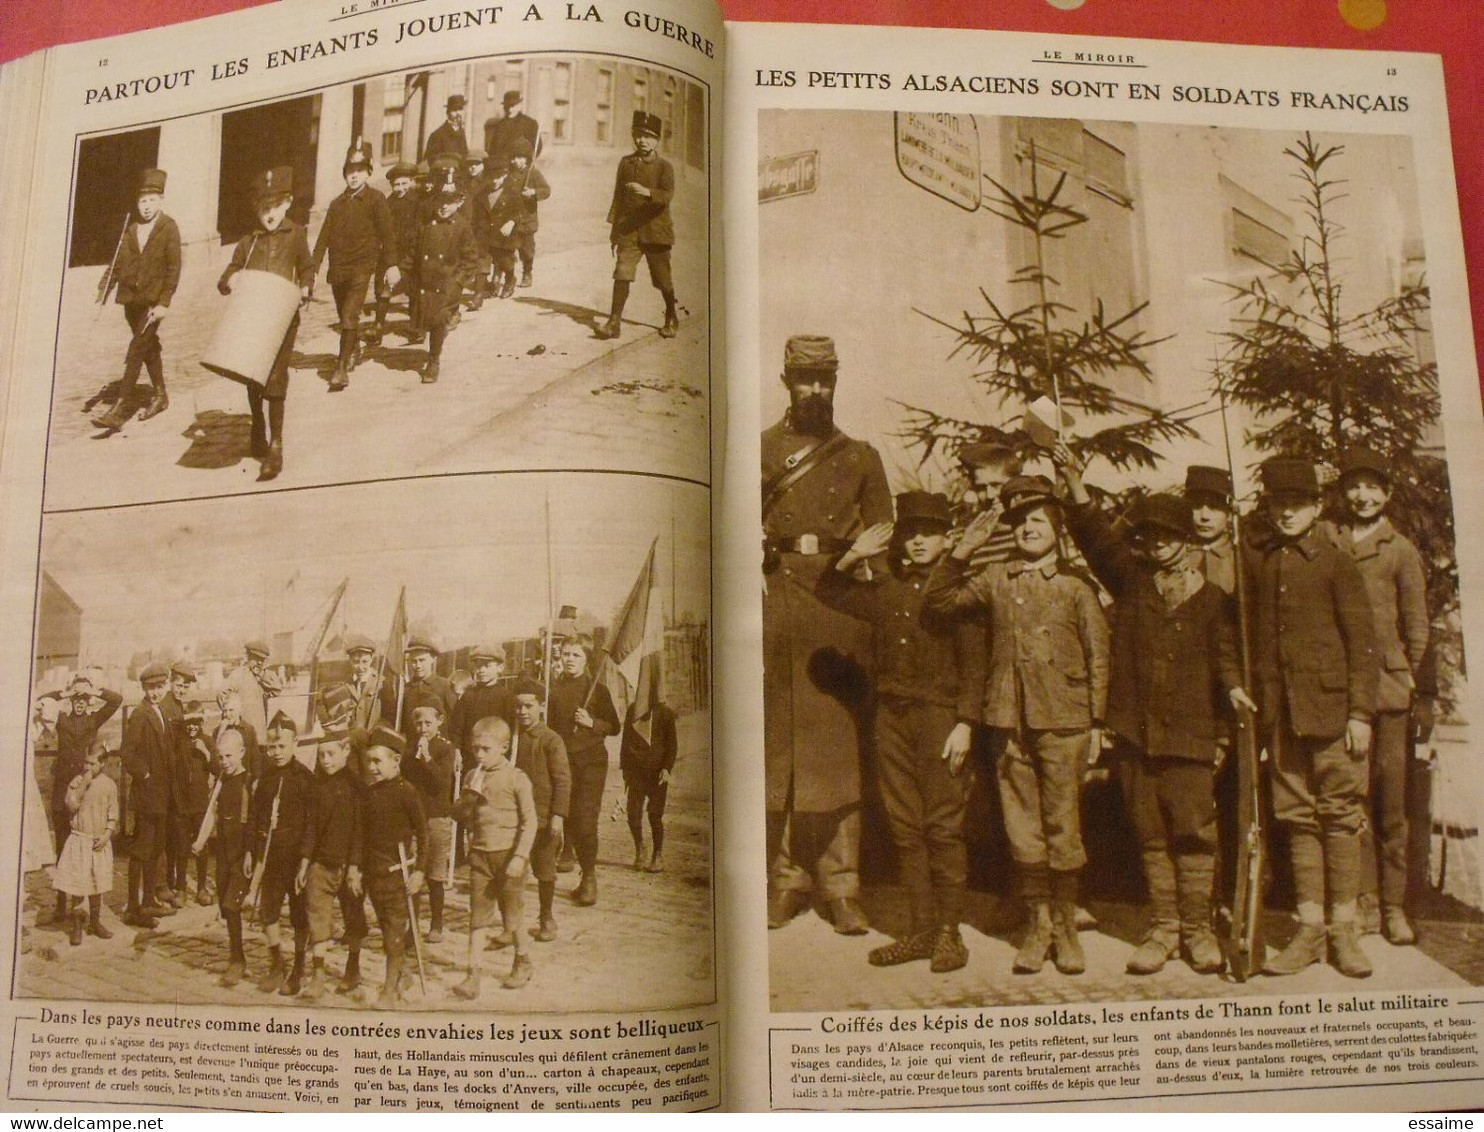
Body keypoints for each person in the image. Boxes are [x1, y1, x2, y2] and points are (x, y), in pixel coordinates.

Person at [1056, 446, 1250, 975]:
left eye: (1170, 537)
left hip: (1191, 738)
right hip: (1137, 735)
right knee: (1151, 836)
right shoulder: (1133, 582)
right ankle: (1163, 929)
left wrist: (1232, 693)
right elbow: (1098, 541)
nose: (1159, 545)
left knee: (1194, 834)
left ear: (1188, 542)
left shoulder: (1214, 601)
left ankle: (1198, 930)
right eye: (1151, 537)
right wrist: (1076, 488)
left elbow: (1229, 659)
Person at [925, 476, 1110, 975]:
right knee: (1022, 829)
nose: (1027, 529)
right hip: (1007, 720)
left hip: (1065, 720)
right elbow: (939, 601)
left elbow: (1098, 656)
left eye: (1037, 521)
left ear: (1057, 529)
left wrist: (1096, 723)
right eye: (1019, 522)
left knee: (1063, 826)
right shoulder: (995, 578)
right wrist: (962, 552)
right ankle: (1039, 925)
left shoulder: (1076, 587)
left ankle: (1067, 930)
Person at [817, 491, 986, 972]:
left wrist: (966, 724)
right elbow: (829, 590)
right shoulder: (886, 590)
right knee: (906, 828)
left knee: (943, 827)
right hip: (891, 720)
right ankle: (920, 931)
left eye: (928, 532)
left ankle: (950, 933)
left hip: (941, 720)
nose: (917, 541)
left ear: (947, 538)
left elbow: (976, 666)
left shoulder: (960, 592)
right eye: (910, 532)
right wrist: (853, 555)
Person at [762, 334, 891, 936]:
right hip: (779, 607)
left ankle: (842, 886)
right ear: (786, 381)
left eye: (826, 380)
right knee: (784, 753)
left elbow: (884, 536)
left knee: (838, 753)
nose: (816, 390)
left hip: (839, 609)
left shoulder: (862, 456)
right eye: (806, 379)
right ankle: (787, 880)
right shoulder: (761, 452)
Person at [1251, 457, 1377, 979]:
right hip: (1282, 718)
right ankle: (1308, 929)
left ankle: (1344, 932)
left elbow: (1362, 644)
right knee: (1298, 819)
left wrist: (1361, 713)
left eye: (1297, 503)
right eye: (1278, 503)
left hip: (1332, 715)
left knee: (1340, 817)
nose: (1286, 512)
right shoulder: (1262, 562)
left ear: (1317, 506)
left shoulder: (1335, 561)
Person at [1324, 446, 1429, 946]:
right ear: (1342, 493)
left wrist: (1407, 675)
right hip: (1340, 690)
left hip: (1386, 694)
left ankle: (1393, 906)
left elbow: (1417, 625)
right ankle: (1359, 900)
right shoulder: (1328, 538)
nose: (1362, 496)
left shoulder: (1400, 550)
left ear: (1386, 494)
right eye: (1353, 486)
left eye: (1372, 487)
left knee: (1390, 803)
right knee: (1350, 798)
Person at [216, 165, 314, 481]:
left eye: (273, 206)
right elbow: (226, 276)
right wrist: (232, 278)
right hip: (252, 318)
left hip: (284, 317)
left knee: (275, 376)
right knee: (253, 377)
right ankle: (257, 422)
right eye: (262, 208)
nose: (268, 214)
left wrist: (306, 287)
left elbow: (308, 268)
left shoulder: (296, 235)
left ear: (286, 203)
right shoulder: (249, 242)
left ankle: (276, 445)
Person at [91, 168, 181, 432]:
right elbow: (118, 263)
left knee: (136, 349)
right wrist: (103, 289)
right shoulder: (131, 229)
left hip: (153, 302)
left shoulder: (168, 227)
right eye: (142, 201)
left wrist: (164, 302)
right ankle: (160, 395)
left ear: (161, 200)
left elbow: (174, 269)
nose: (146, 207)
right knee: (147, 347)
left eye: (152, 200)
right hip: (131, 301)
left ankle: (119, 409)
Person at [310, 139, 399, 391]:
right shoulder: (337, 204)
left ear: (368, 172)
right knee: (344, 316)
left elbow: (388, 234)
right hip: (338, 269)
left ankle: (340, 368)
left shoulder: (375, 199)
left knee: (349, 315)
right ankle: (354, 347)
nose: (354, 176)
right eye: (350, 172)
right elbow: (323, 238)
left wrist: (391, 264)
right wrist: (313, 268)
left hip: (362, 267)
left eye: (359, 171)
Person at [43, 675, 121, 923]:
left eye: (84, 699)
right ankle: (61, 903)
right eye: (77, 698)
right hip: (63, 790)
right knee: (63, 847)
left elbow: (116, 700)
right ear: (71, 700)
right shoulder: (61, 719)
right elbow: (42, 701)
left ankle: (86, 904)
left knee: (86, 845)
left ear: (89, 702)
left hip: (87, 790)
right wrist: (65, 693)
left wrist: (94, 690)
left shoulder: (93, 719)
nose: (80, 702)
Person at [548, 637, 620, 907]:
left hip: (591, 762)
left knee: (586, 819)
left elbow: (614, 726)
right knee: (565, 810)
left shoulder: (597, 690)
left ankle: (589, 877)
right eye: (566, 654)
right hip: (563, 761)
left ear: (586, 659)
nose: (569, 659)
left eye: (576, 655)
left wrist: (592, 722)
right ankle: (567, 849)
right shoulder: (552, 690)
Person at [247, 713, 315, 996]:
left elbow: (313, 823)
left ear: (294, 744)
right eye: (271, 748)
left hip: (297, 858)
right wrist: (252, 852)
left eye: (281, 747)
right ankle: (277, 963)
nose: (275, 753)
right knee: (268, 912)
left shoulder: (305, 779)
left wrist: (305, 860)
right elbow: (254, 816)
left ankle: (299, 967)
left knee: (300, 915)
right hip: (272, 856)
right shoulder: (265, 777)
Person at [359, 738, 429, 1009]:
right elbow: (361, 835)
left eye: (378, 761)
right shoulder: (370, 793)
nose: (373, 767)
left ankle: (389, 990)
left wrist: (420, 871)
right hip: (374, 873)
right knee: (386, 925)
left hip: (399, 875)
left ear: (396, 761)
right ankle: (403, 972)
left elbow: (423, 835)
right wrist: (356, 868)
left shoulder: (407, 792)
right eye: (369, 761)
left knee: (393, 932)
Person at [294, 729, 363, 1001]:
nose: (325, 760)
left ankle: (353, 967)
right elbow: (310, 827)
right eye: (321, 755)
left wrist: (356, 867)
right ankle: (318, 974)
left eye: (331, 754)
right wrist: (304, 862)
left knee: (353, 917)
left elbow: (360, 831)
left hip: (349, 866)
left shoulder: (356, 787)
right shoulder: (317, 786)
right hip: (321, 864)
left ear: (346, 752)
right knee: (318, 917)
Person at [599, 111, 679, 340]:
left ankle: (671, 315)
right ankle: (614, 323)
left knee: (663, 280)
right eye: (638, 135)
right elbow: (618, 197)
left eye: (648, 136)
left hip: (656, 232)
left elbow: (666, 195)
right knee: (622, 272)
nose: (641, 140)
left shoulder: (665, 167)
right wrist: (615, 231)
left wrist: (647, 193)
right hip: (629, 231)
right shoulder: (625, 163)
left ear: (657, 140)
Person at [405, 167, 479, 385]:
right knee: (423, 319)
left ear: (459, 202)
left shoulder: (462, 227)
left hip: (446, 283)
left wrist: (457, 282)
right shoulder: (425, 224)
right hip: (424, 281)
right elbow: (413, 252)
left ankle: (433, 360)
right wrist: (401, 273)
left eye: (451, 201)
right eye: (441, 200)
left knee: (438, 320)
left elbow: (470, 260)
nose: (445, 206)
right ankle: (431, 349)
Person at [193, 727, 253, 986]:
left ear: (241, 753)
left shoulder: (248, 783)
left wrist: (251, 853)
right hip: (224, 853)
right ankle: (236, 951)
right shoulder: (221, 781)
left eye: (229, 756)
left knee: (231, 905)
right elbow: (212, 815)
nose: (224, 761)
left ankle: (237, 960)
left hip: (242, 853)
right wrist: (200, 841)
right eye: (220, 757)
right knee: (225, 909)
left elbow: (252, 822)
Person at [512, 679, 570, 942]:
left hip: (543, 816)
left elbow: (562, 780)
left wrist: (558, 816)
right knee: (512, 870)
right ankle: (510, 923)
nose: (523, 712)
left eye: (529, 706)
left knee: (544, 869)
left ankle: (546, 916)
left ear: (542, 707)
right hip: (514, 817)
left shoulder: (551, 740)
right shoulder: (511, 737)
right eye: (519, 706)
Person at [121, 664, 175, 929]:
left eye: (159, 687)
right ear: (144, 689)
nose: (155, 693)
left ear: (166, 686)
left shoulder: (161, 710)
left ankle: (149, 899)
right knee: (142, 850)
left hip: (162, 795)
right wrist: (145, 776)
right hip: (147, 795)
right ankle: (133, 907)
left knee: (155, 848)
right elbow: (127, 754)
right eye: (151, 688)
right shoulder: (140, 715)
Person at [53, 738, 120, 947]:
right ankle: (77, 925)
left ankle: (95, 922)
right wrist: (82, 785)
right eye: (86, 763)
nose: (87, 767)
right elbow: (70, 806)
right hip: (80, 841)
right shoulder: (77, 782)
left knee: (96, 883)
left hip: (97, 841)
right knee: (78, 884)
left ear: (103, 763)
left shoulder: (109, 785)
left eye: (92, 764)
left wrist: (107, 834)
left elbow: (113, 814)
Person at [404, 705, 458, 944]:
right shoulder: (410, 749)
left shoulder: (446, 749)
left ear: (439, 722)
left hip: (437, 818)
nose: (423, 729)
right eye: (418, 724)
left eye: (428, 723)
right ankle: (411, 925)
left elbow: (440, 783)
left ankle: (436, 922)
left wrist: (426, 757)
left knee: (435, 874)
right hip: (415, 819)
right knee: (414, 870)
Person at [619, 676, 678, 876]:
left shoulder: (665, 714)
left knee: (655, 815)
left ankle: (657, 853)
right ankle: (640, 848)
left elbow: (672, 746)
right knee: (633, 814)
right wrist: (625, 770)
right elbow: (625, 742)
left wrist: (666, 769)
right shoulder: (633, 711)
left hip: (657, 774)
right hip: (636, 772)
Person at [488, 138, 550, 294]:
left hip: (527, 220)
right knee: (505, 248)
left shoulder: (533, 173)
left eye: (520, 157)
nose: (515, 161)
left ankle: (527, 271)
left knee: (526, 250)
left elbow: (546, 190)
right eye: (513, 157)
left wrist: (534, 193)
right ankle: (501, 275)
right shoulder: (508, 174)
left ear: (527, 158)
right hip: (510, 219)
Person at [170, 703, 215, 906]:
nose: (192, 727)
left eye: (195, 723)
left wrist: (205, 753)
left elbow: (218, 768)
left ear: (202, 723)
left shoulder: (207, 741)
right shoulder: (178, 742)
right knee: (180, 846)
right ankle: (180, 888)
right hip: (181, 805)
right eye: (189, 723)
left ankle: (202, 888)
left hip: (200, 805)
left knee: (201, 847)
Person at [378, 162, 423, 344]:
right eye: (397, 185)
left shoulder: (418, 202)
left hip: (412, 251)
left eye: (404, 183)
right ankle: (379, 324)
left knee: (414, 289)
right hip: (392, 251)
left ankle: (416, 326)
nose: (401, 188)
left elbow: (419, 229)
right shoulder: (387, 203)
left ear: (411, 182)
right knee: (385, 287)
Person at [451, 643, 516, 759]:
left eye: (487, 666)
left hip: (496, 756)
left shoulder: (506, 697)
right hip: (470, 755)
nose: (481, 670)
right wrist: (457, 751)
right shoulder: (468, 696)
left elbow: (510, 730)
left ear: (500, 668)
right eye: (478, 665)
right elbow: (457, 728)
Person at [1185, 465, 1237, 595]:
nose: (1204, 516)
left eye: (1214, 507)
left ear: (1229, 514)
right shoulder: (1175, 554)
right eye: (1196, 506)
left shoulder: (1239, 556)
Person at [484, 88, 539, 170]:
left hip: (520, 168)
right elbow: (493, 148)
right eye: (507, 106)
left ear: (519, 106)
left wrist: (526, 161)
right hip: (501, 168)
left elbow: (537, 147)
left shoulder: (529, 124)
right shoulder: (499, 125)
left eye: (513, 106)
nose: (509, 110)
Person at [424, 94, 469, 163]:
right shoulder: (437, 135)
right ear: (448, 113)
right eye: (454, 110)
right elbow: (431, 162)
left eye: (460, 109)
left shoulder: (462, 133)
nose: (458, 113)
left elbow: (464, 157)